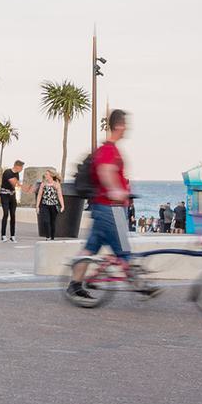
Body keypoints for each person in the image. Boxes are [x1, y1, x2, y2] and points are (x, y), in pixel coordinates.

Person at [69, 109, 155, 299]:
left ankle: (74, 285)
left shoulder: (109, 149)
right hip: (110, 208)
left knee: (91, 247)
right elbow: (105, 171)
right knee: (122, 249)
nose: (127, 128)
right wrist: (116, 191)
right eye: (125, 124)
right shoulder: (108, 150)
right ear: (118, 125)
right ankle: (140, 284)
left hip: (104, 207)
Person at [35, 170, 64, 240]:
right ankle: (48, 236)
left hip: (54, 206)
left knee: (52, 222)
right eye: (45, 174)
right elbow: (39, 195)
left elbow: (60, 196)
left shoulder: (56, 184)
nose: (45, 176)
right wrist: (37, 206)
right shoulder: (43, 184)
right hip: (45, 205)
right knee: (46, 221)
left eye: (47, 174)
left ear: (51, 175)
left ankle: (52, 237)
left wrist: (63, 205)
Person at [0, 160, 24, 242]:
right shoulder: (7, 172)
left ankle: (12, 236)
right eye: (21, 167)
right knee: (6, 214)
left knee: (13, 215)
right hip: (4, 195)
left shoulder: (17, 174)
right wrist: (25, 188)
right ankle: (3, 235)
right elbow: (14, 183)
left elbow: (16, 184)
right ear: (17, 166)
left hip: (12, 195)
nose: (22, 169)